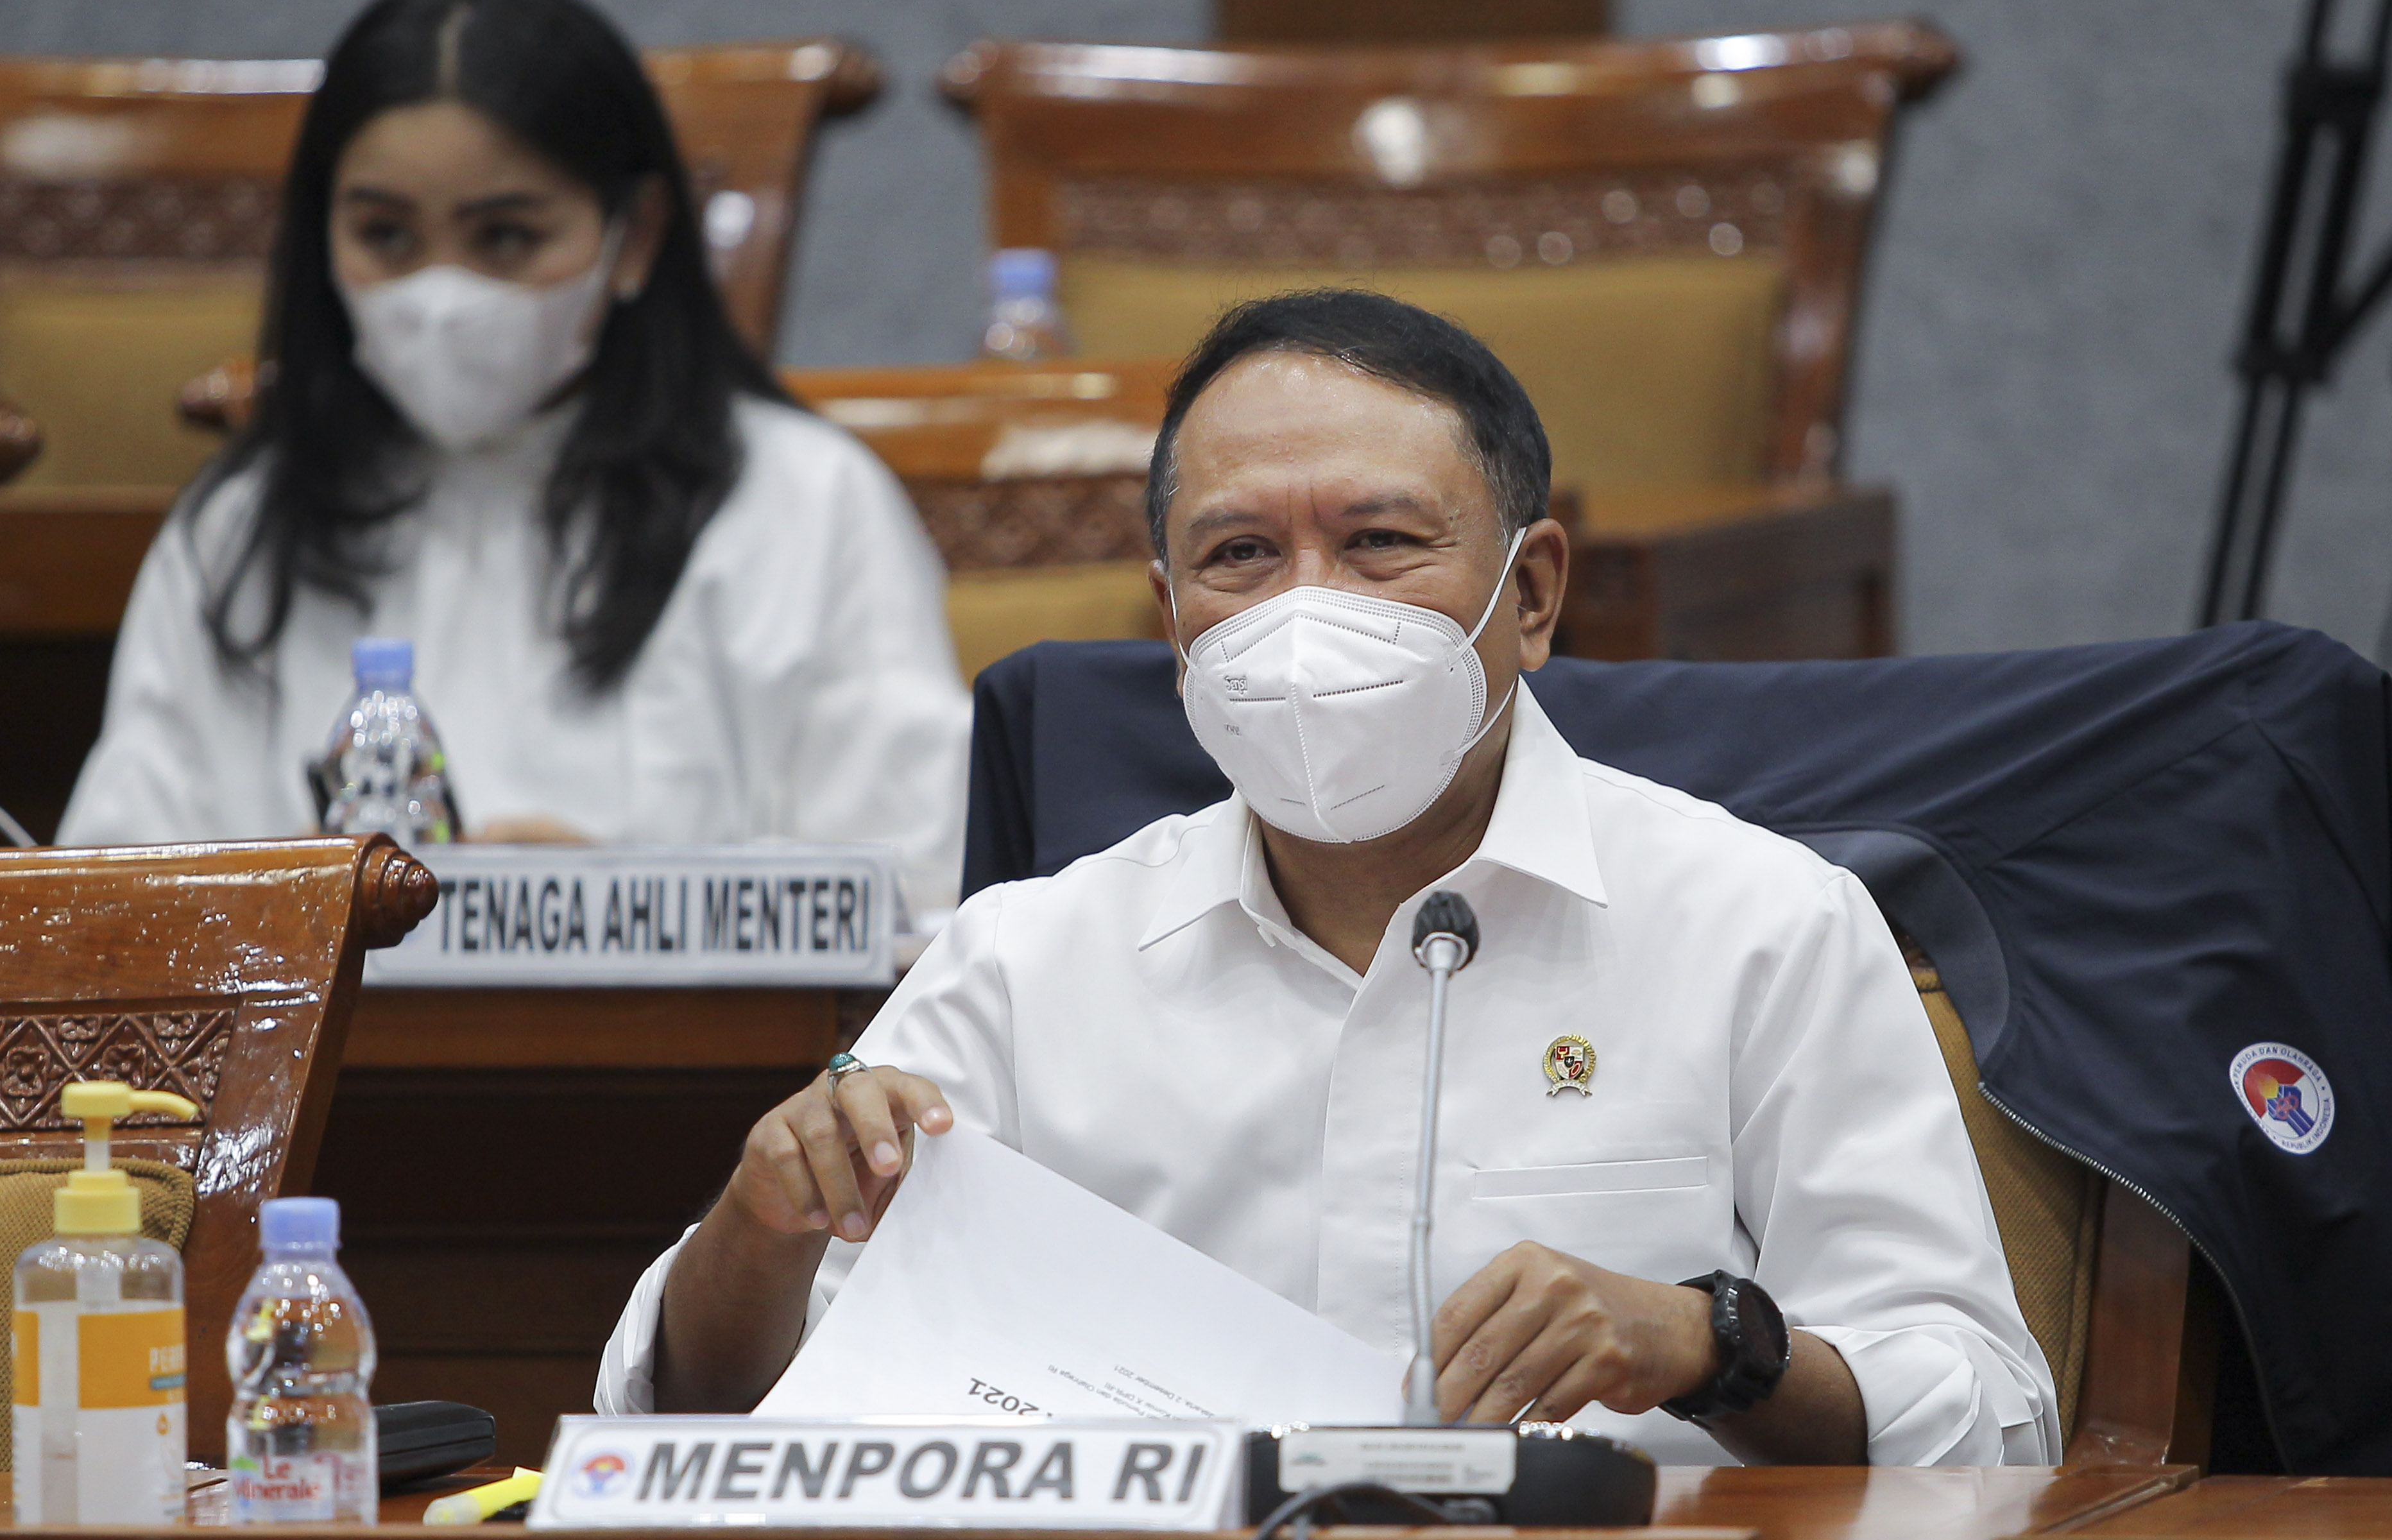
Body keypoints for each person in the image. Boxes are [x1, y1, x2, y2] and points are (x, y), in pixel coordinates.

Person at [600, 290, 2059, 1466]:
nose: (1306, 611)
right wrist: (756, 1226)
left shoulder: (1759, 924)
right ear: (1167, 615)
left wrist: (1709, 1343)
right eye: (1238, 554)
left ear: (1530, 592)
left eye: (1377, 544)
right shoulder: (1022, 962)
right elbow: (713, 1433)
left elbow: (1990, 1416)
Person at [59, 0, 968, 914]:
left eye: (505, 239)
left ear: (639, 235)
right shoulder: (237, 528)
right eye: (385, 235)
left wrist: (629, 909)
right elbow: (118, 906)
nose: (439, 296)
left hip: (709, 1064)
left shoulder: (805, 502)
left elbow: (914, 895)